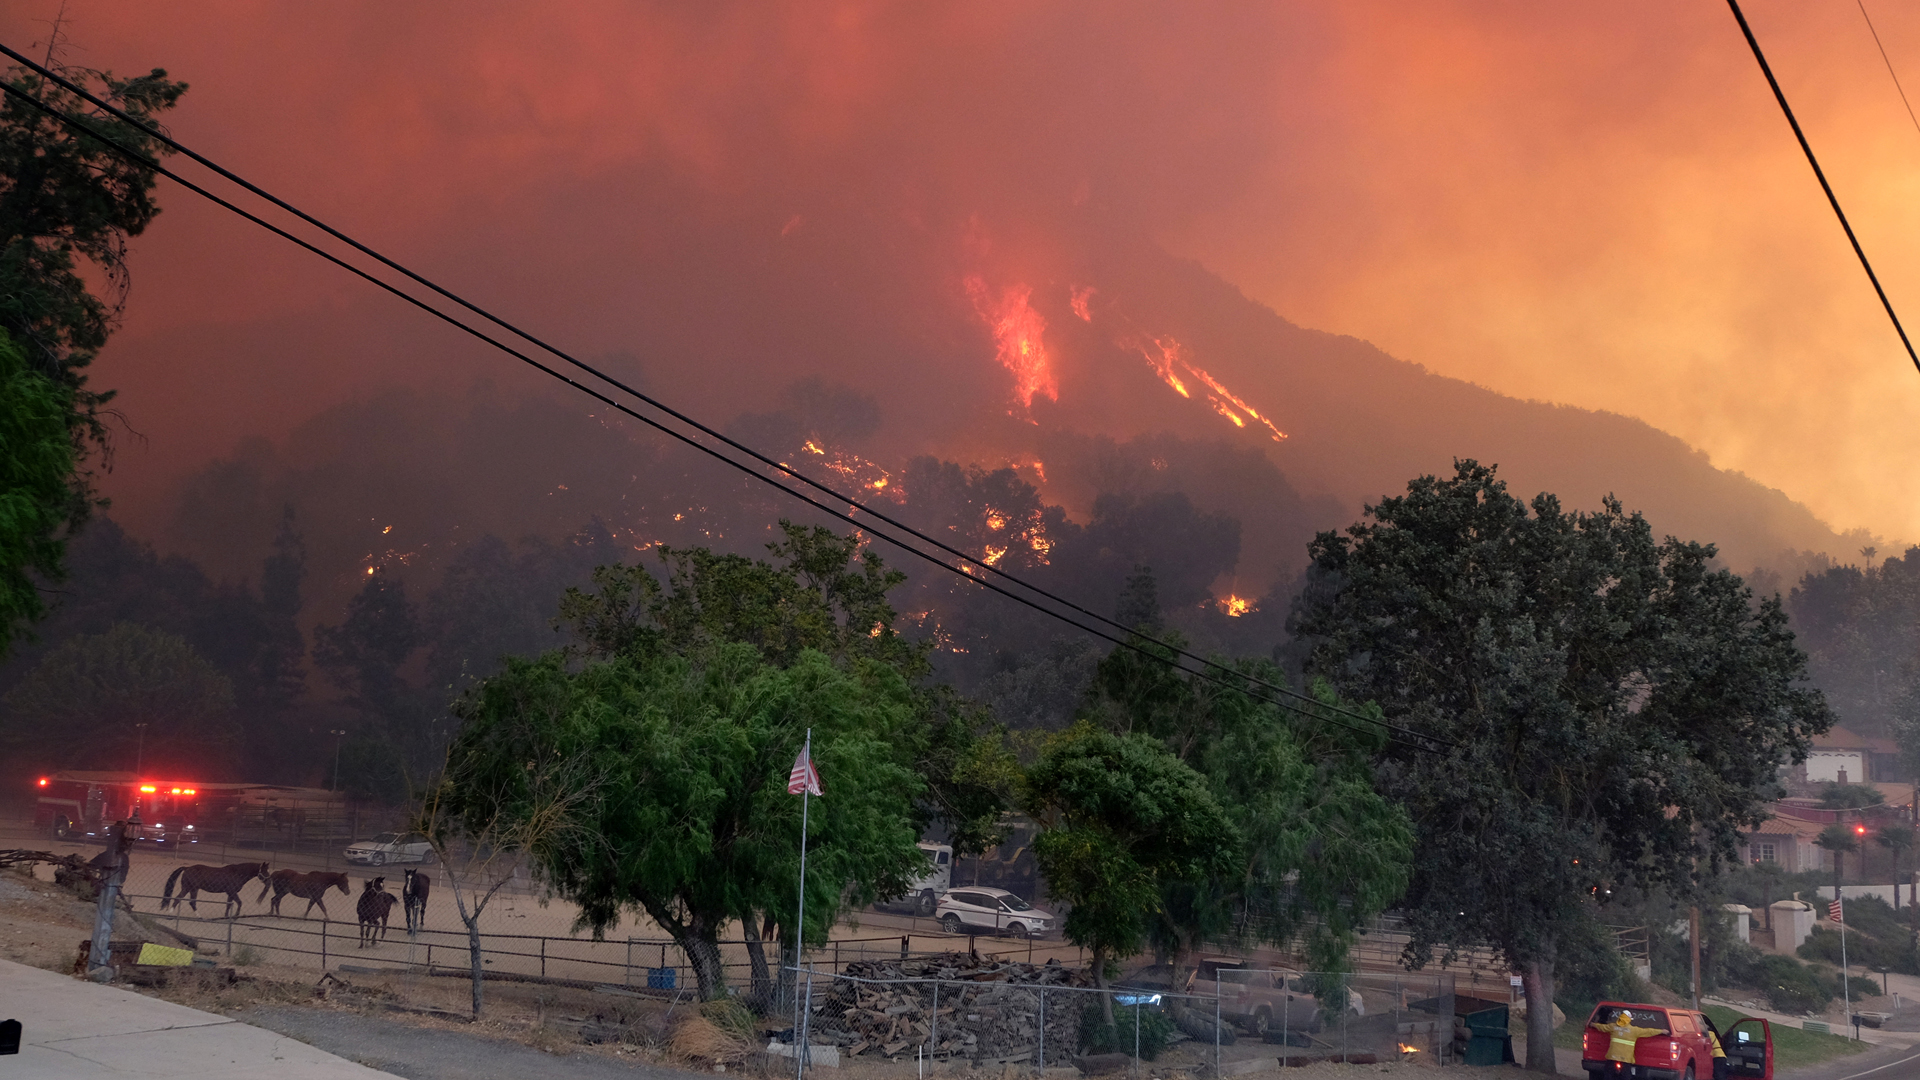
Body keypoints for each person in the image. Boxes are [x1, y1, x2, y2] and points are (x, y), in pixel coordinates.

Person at [1593, 1009, 1666, 1066]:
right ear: (1629, 1020)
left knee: (1608, 1076)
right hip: (1626, 1060)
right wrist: (1661, 1031)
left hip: (1612, 1057)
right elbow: (1649, 1031)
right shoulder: (1634, 1030)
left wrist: (1593, 1024)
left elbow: (1602, 1027)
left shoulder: (1612, 1027)